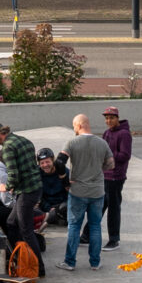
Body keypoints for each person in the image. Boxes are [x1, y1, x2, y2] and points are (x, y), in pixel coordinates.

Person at [55, 114, 115, 272]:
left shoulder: (72, 143)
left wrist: (64, 181)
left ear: (79, 125)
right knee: (95, 226)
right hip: (97, 191)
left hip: (78, 191)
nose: (74, 129)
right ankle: (95, 263)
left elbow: (59, 162)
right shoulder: (102, 143)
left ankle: (70, 262)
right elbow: (111, 164)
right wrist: (97, 169)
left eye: (74, 126)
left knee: (74, 226)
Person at [0, 122, 45, 277]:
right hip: (35, 187)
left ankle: (37, 267)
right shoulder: (24, 140)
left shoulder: (7, 148)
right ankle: (20, 257)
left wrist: (5, 187)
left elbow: (13, 174)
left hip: (26, 191)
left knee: (26, 230)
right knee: (12, 222)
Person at [80, 106, 132, 251]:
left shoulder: (124, 134)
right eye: (107, 118)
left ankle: (114, 240)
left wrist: (107, 156)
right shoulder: (107, 133)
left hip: (116, 177)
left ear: (117, 118)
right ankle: (86, 236)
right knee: (97, 206)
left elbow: (125, 155)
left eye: (111, 118)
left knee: (113, 209)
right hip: (104, 176)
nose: (108, 121)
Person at [37, 147, 70, 227]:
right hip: (45, 205)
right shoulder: (37, 173)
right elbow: (37, 195)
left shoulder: (63, 171)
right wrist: (48, 208)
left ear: (53, 160)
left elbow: (70, 192)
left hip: (61, 205)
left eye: (47, 162)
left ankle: (53, 217)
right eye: (42, 163)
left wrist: (57, 209)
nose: (45, 165)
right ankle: (51, 217)